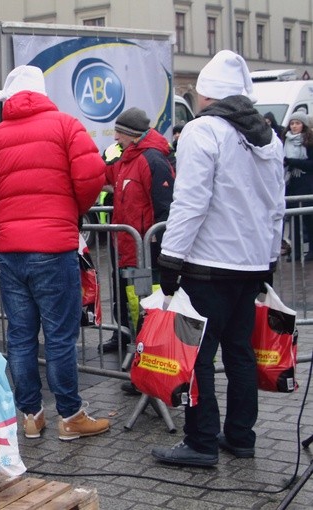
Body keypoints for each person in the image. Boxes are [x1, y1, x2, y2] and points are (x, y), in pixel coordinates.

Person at [151, 50, 285, 467]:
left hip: (207, 266)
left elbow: (191, 202)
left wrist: (169, 261)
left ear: (205, 96)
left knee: (199, 357)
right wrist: (269, 260)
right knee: (240, 353)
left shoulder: (202, 131)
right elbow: (275, 205)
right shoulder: (267, 138)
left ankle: (202, 441)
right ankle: (241, 436)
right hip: (249, 265)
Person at [0, 65, 110, 441]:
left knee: (20, 335)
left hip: (10, 249)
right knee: (61, 336)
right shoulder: (66, 125)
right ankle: (70, 415)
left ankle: (31, 416)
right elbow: (92, 175)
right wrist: (72, 209)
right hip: (54, 245)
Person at [98, 108, 175, 356]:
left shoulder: (152, 160)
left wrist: (157, 246)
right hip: (130, 252)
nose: (115, 138)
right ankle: (140, 361)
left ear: (131, 134)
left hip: (147, 255)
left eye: (119, 133)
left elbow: (165, 208)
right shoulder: (129, 159)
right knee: (136, 310)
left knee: (148, 311)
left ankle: (150, 364)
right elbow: (102, 173)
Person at [282, 110, 313, 262]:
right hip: (291, 183)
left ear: (304, 125)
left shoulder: (309, 141)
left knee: (308, 219)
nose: (294, 126)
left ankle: (311, 250)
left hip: (306, 183)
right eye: (292, 123)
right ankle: (295, 251)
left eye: (298, 123)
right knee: (293, 220)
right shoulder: (284, 141)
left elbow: (310, 164)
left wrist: (292, 161)